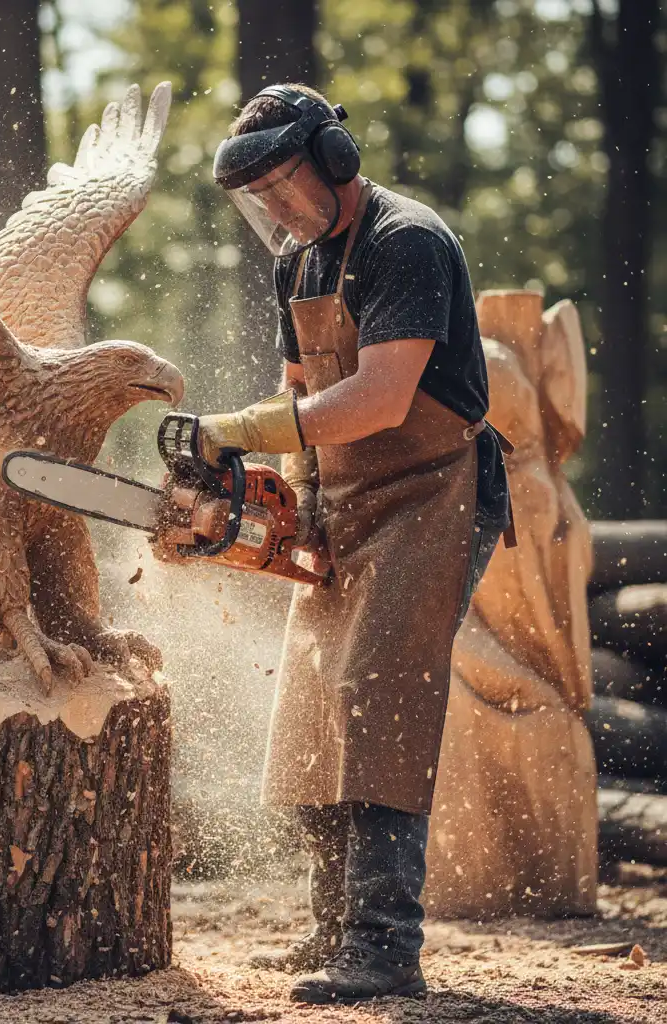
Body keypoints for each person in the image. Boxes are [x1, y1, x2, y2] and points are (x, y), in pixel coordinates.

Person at [162, 85, 514, 1004]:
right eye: (260, 200)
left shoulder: (408, 242)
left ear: (334, 159)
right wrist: (272, 499)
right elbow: (301, 401)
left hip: (432, 493)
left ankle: (385, 944)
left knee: (381, 696)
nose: (276, 212)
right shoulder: (297, 262)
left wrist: (232, 430)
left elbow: (377, 401)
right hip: (346, 495)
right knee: (317, 700)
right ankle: (331, 929)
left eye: (285, 187)